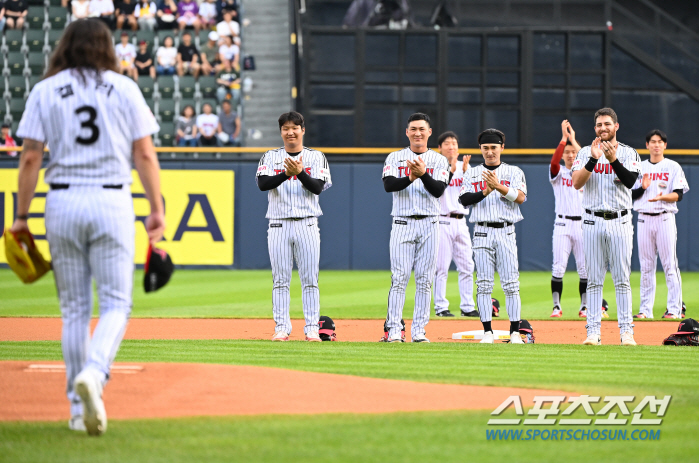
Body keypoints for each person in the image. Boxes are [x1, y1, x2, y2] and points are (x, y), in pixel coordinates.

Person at [12, 19, 163, 436]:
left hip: (61, 200)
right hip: (112, 198)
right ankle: (95, 374)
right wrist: (157, 209)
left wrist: (22, 216)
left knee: (74, 310)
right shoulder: (124, 87)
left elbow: (29, 159)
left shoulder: (45, 90)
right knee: (116, 303)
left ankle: (78, 411)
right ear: (106, 47)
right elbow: (145, 155)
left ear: (65, 46)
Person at [255, 111, 332, 342]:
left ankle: (311, 328)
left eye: (295, 127)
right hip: (278, 224)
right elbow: (262, 184)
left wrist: (299, 172)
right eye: (286, 128)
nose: (291, 132)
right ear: (281, 132)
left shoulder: (316, 157)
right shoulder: (269, 156)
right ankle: (281, 327)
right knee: (280, 279)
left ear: (303, 130)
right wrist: (285, 173)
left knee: (310, 279)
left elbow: (317, 187)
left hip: (307, 223)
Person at [571, 107, 641, 346]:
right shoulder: (584, 153)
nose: (603, 128)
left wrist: (613, 160)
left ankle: (626, 332)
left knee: (622, 279)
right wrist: (593, 158)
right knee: (594, 279)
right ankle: (593, 332)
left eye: (607, 124)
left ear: (616, 126)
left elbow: (632, 182)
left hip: (620, 220)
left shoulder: (629, 153)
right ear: (595, 128)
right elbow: (576, 183)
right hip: (591, 220)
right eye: (599, 125)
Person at [381, 113, 450, 343]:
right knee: (399, 277)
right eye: (413, 129)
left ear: (429, 132)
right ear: (407, 132)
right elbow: (389, 185)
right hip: (402, 221)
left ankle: (419, 331)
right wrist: (412, 177)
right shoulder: (395, 157)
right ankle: (393, 331)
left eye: (422, 129)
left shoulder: (440, 160)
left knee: (424, 279)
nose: (417, 133)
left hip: (430, 222)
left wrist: (422, 174)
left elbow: (438, 190)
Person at [459, 129, 527, 344]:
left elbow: (521, 198)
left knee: (511, 284)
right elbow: (464, 199)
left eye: (493, 147)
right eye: (486, 148)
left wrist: (498, 187)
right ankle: (487, 332)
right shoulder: (471, 173)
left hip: (506, 230)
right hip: (481, 231)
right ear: (481, 149)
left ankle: (515, 332)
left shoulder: (514, 171)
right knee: (484, 284)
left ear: (502, 148)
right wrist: (486, 192)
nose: (490, 152)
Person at [631, 129, 690, 319]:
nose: (656, 145)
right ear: (647, 145)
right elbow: (630, 194)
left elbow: (679, 194)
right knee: (646, 266)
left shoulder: (672, 166)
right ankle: (645, 310)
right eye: (652, 141)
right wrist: (643, 187)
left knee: (669, 265)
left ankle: (674, 309)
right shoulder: (638, 167)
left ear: (665, 145)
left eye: (660, 142)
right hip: (643, 218)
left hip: (665, 217)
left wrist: (664, 197)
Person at [548, 120, 592, 318]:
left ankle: (584, 307)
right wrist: (564, 140)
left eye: (573, 152)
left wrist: (574, 140)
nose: (571, 154)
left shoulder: (583, 173)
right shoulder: (559, 173)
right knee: (558, 266)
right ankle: (556, 306)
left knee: (584, 268)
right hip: (562, 223)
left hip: (582, 224)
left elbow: (591, 157)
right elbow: (553, 163)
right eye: (568, 152)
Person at [432, 131, 476, 318]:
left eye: (454, 143)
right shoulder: (435, 166)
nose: (452, 146)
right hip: (442, 220)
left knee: (467, 265)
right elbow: (437, 190)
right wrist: (451, 170)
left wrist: (466, 173)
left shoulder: (465, 167)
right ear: (440, 148)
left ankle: (467, 306)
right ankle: (441, 307)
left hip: (461, 221)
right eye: (447, 143)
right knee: (441, 267)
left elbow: (473, 193)